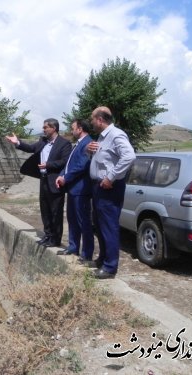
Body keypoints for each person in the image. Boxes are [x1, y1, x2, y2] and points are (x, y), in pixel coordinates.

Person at [6, 118, 72, 247]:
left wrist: (48, 164)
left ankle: (55, 239)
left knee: (55, 211)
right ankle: (47, 235)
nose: (43, 129)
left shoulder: (64, 144)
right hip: (43, 180)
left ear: (53, 128)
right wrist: (17, 142)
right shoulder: (43, 141)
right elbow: (30, 148)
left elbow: (65, 161)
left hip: (55, 181)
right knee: (45, 209)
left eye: (46, 127)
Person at [87, 106, 135, 279]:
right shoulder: (101, 137)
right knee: (99, 225)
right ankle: (103, 260)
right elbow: (103, 161)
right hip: (98, 187)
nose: (91, 122)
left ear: (100, 120)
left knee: (108, 226)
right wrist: (89, 152)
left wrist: (111, 177)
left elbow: (129, 156)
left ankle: (110, 267)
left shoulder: (116, 135)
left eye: (92, 119)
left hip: (109, 188)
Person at [55, 119, 94, 262]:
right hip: (72, 189)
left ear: (80, 129)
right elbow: (69, 164)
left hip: (81, 190)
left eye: (73, 128)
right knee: (72, 219)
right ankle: (73, 247)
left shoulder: (88, 143)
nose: (71, 131)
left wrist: (66, 178)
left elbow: (82, 165)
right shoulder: (78, 144)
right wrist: (61, 175)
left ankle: (87, 254)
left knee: (83, 222)